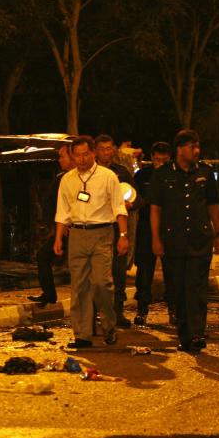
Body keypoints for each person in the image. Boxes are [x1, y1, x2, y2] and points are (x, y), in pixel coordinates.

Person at [150, 129, 219, 352]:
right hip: (173, 242)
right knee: (178, 291)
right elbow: (155, 209)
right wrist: (156, 239)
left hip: (200, 240)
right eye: (192, 146)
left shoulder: (205, 172)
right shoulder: (163, 174)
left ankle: (197, 334)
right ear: (180, 149)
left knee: (198, 290)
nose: (197, 151)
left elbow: (213, 205)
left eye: (198, 146)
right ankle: (184, 335)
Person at [54, 136, 129, 348]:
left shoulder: (108, 176)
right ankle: (82, 334)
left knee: (101, 283)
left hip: (102, 233)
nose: (82, 159)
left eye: (86, 154)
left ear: (93, 153)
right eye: (77, 155)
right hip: (77, 233)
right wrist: (59, 238)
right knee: (79, 286)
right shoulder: (67, 179)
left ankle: (109, 324)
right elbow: (62, 212)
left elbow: (119, 208)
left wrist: (123, 236)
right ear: (72, 156)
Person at [94, 134, 135, 328]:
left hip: (117, 229)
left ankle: (118, 312)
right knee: (96, 276)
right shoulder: (89, 173)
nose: (106, 152)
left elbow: (137, 198)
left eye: (109, 148)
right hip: (96, 231)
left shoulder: (122, 173)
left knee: (118, 273)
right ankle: (95, 314)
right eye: (102, 149)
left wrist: (130, 203)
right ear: (95, 151)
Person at [29, 141, 74, 306]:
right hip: (61, 227)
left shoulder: (74, 179)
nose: (59, 160)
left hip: (71, 230)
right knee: (43, 256)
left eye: (62, 156)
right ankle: (49, 294)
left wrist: (66, 225)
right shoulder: (63, 178)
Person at [131, 141, 171, 325]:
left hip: (170, 226)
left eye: (164, 160)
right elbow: (135, 199)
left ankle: (174, 310)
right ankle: (142, 309)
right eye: (157, 160)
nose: (160, 163)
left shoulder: (174, 174)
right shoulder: (142, 175)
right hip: (146, 226)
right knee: (145, 270)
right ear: (152, 158)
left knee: (172, 270)